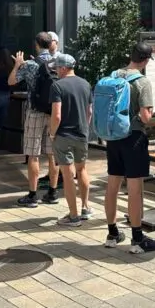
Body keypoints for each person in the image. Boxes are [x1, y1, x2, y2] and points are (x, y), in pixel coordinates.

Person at [104, 42, 155, 254]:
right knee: (134, 188)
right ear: (146, 60)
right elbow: (146, 118)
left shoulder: (113, 75)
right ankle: (137, 238)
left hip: (113, 137)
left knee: (112, 185)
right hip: (133, 138)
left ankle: (112, 233)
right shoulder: (142, 82)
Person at [10, 32, 60, 207]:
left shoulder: (30, 64)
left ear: (37, 45)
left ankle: (32, 195)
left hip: (35, 111)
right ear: (50, 44)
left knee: (33, 154)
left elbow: (11, 81)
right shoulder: (58, 63)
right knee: (53, 154)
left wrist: (17, 65)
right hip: (54, 111)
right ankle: (52, 193)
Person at [48, 54, 93, 227]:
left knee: (67, 175)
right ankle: (86, 207)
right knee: (82, 170)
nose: (56, 71)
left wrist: (53, 133)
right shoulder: (86, 84)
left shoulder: (57, 86)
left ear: (63, 68)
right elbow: (89, 111)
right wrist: (85, 128)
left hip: (63, 135)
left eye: (57, 68)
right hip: (82, 133)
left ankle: (73, 216)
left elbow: (57, 115)